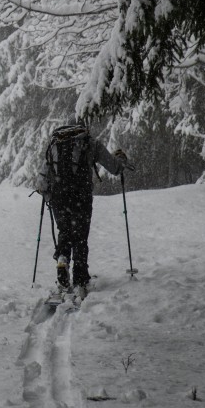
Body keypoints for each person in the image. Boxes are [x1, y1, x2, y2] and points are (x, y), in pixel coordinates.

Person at [40, 118, 131, 296]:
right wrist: (121, 160)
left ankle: (63, 258)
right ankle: (80, 278)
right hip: (81, 196)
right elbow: (113, 167)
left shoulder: (55, 144)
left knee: (64, 231)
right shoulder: (90, 143)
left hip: (59, 196)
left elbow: (42, 179)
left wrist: (49, 196)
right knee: (80, 236)